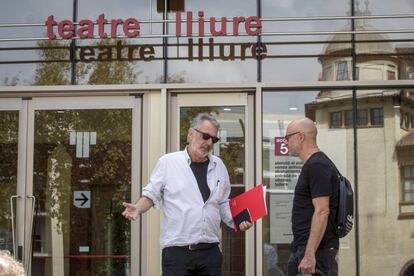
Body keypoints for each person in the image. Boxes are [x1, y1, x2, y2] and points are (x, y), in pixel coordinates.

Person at [122, 113, 252, 276]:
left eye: (214, 139)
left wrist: (238, 220)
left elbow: (223, 203)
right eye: (205, 136)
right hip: (178, 255)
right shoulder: (168, 162)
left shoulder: (219, 166)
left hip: (210, 253)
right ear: (190, 134)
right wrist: (138, 208)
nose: (209, 143)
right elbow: (151, 193)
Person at [285, 117, 339, 276]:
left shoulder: (317, 165)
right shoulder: (315, 164)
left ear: (300, 137)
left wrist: (309, 255)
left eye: (288, 138)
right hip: (310, 251)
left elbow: (322, 211)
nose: (286, 142)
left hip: (315, 255)